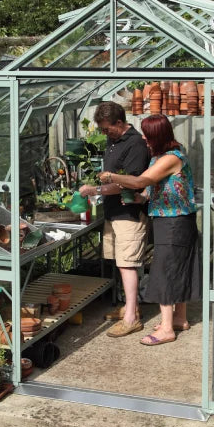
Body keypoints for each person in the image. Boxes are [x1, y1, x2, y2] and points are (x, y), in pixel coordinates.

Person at [99, 114, 200, 346]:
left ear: (158, 136)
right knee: (177, 268)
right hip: (171, 220)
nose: (144, 138)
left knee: (165, 272)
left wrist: (111, 176)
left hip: (175, 222)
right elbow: (150, 189)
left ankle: (166, 329)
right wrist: (138, 199)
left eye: (147, 134)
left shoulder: (172, 158)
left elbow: (140, 181)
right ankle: (179, 318)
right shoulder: (160, 157)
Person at [77, 101, 151, 337]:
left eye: (107, 129)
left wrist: (95, 190)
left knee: (127, 264)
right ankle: (131, 308)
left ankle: (131, 319)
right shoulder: (113, 140)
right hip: (113, 212)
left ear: (120, 123)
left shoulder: (136, 144)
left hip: (129, 214)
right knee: (120, 262)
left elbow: (129, 183)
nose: (104, 134)